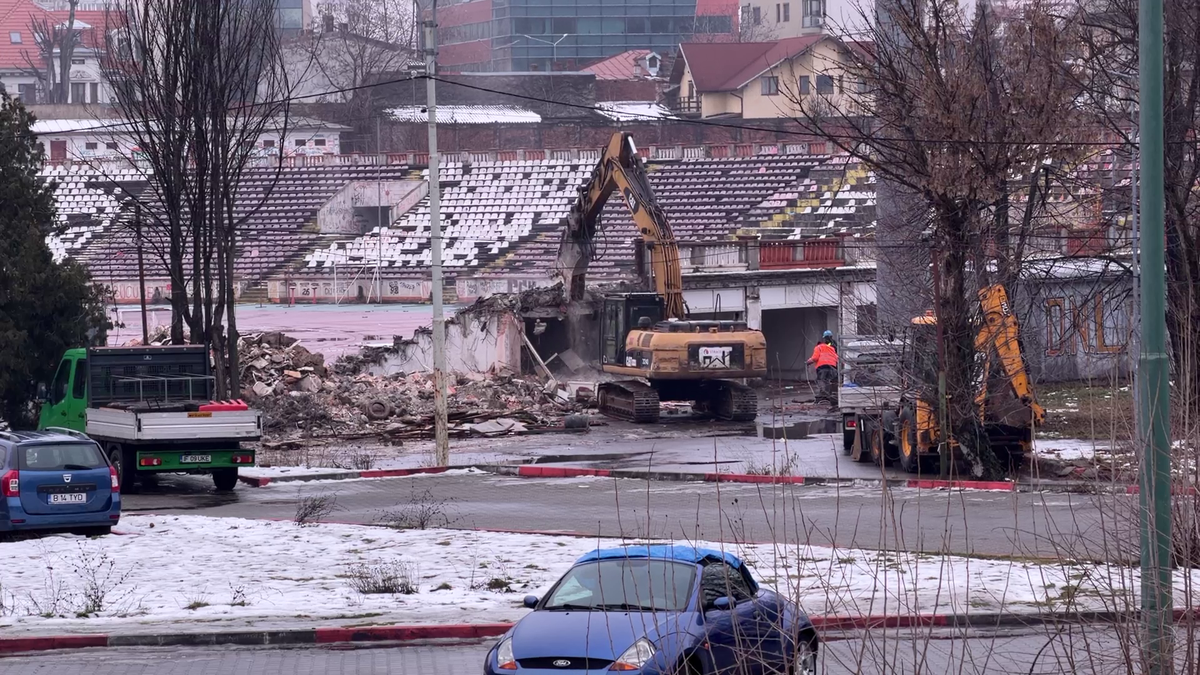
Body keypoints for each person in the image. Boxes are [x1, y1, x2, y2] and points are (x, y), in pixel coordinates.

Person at [806, 330, 839, 403]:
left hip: (822, 366)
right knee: (829, 381)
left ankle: (823, 396)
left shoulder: (818, 347)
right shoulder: (832, 347)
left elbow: (815, 358)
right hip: (832, 366)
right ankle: (829, 396)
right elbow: (836, 357)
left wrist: (808, 362)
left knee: (821, 380)